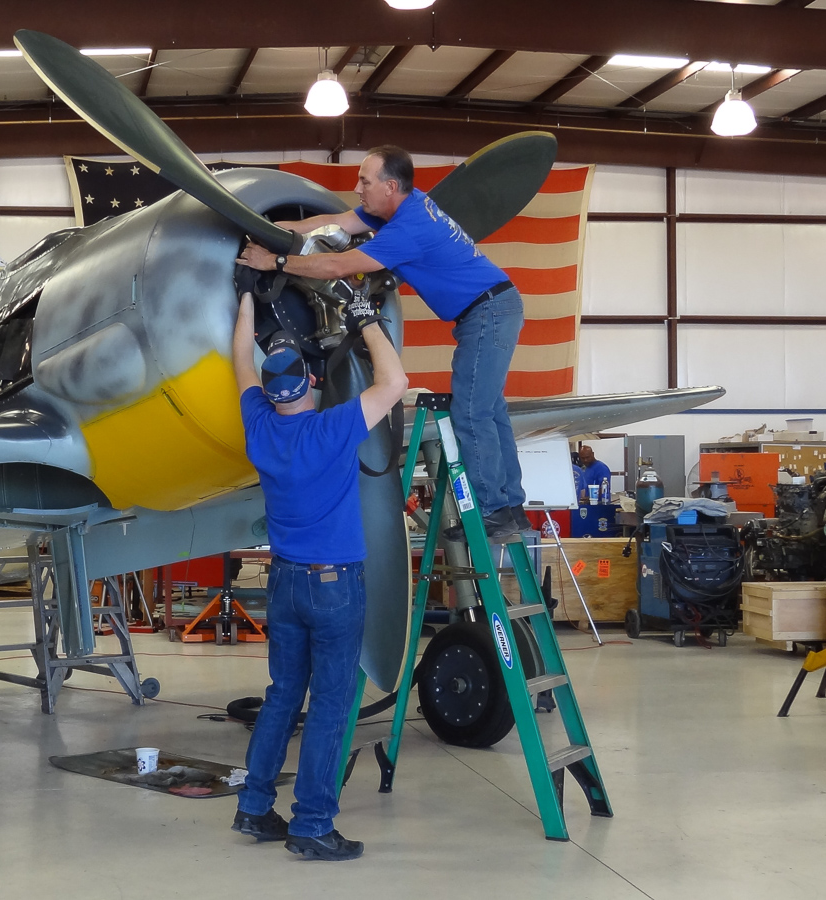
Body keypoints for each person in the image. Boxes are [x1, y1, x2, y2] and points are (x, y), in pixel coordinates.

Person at [236, 144, 526, 543]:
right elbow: (332, 220)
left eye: (365, 181)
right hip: (492, 307)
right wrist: (267, 229)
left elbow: (337, 266)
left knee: (473, 413)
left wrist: (274, 263)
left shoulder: (407, 230)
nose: (358, 188)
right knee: (491, 411)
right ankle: (510, 510)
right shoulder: (400, 208)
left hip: (488, 312)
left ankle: (494, 512)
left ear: (390, 186)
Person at [227, 289, 409, 861]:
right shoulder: (331, 429)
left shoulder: (259, 426)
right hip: (334, 587)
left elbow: (240, 364)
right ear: (308, 379)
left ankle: (255, 808)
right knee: (330, 704)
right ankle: (311, 824)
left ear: (270, 387)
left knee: (283, 695)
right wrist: (366, 321)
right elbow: (394, 382)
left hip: (283, 584)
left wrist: (246, 310)